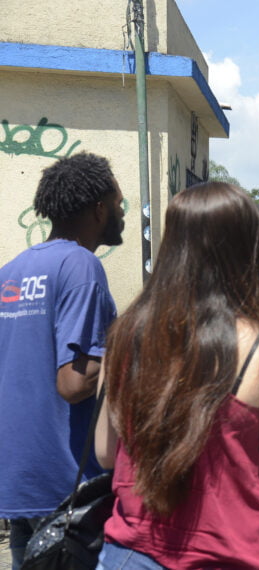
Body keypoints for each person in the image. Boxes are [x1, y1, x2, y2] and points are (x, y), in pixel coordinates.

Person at [94, 182, 259, 568]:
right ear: (248, 248)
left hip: (131, 554)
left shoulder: (127, 334)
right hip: (234, 554)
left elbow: (105, 453)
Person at [0, 152, 124, 570]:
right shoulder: (81, 265)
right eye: (119, 205)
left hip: (18, 478)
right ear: (99, 208)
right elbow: (73, 384)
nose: (123, 214)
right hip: (67, 483)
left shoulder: (12, 270)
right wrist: (130, 345)